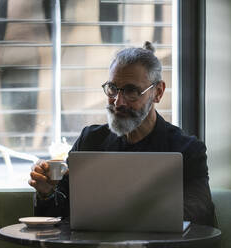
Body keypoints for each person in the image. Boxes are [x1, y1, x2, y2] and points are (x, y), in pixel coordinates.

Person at [29, 41, 215, 226]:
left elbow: (200, 219)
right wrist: (47, 193)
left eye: (131, 91)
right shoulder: (90, 141)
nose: (118, 102)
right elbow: (60, 217)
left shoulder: (187, 151)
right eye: (113, 89)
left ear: (158, 93)